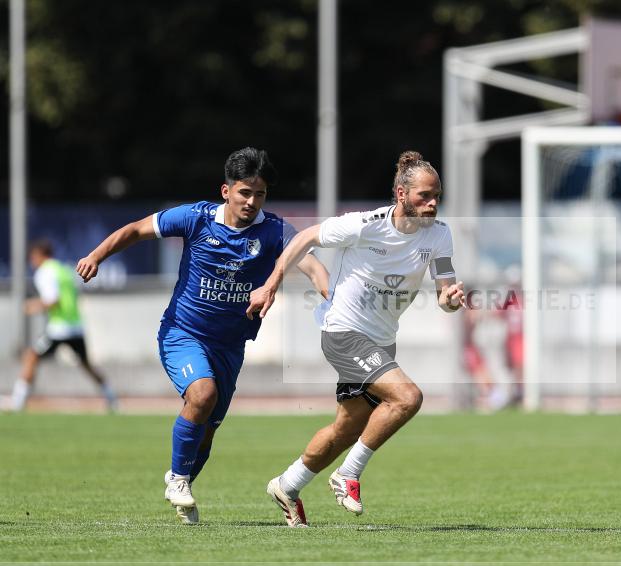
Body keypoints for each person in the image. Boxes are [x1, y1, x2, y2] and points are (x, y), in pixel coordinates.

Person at [75, 147, 329, 525]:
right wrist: (96, 256)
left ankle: (181, 481)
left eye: (260, 194)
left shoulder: (275, 231)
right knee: (202, 394)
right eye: (245, 192)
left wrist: (331, 299)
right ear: (226, 191)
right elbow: (136, 230)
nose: (252, 201)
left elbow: (312, 265)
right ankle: (178, 479)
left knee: (206, 434)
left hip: (230, 346)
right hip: (183, 332)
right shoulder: (195, 218)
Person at [246, 150, 466, 528]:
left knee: (346, 429)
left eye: (436, 197)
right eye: (424, 196)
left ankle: (287, 484)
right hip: (344, 333)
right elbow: (306, 238)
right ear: (401, 194)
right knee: (408, 397)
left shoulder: (440, 234)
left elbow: (445, 289)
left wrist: (450, 300)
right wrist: (271, 284)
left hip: (381, 342)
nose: (432, 204)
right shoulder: (365, 225)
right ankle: (348, 474)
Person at [9, 240, 117, 413]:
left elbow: (53, 299)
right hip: (76, 327)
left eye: (32, 257)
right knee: (87, 365)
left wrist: (32, 306)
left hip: (59, 329)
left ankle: (18, 402)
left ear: (39, 255)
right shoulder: (64, 270)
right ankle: (111, 396)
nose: (32, 262)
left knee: (31, 357)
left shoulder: (45, 272)